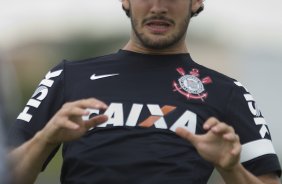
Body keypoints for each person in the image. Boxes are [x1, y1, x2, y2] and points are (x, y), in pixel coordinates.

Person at [8, 0, 281, 183]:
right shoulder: (67, 76)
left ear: (196, 1)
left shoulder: (228, 92)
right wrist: (45, 138)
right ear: (125, 0)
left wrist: (230, 168)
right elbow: (7, 174)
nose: (158, 7)